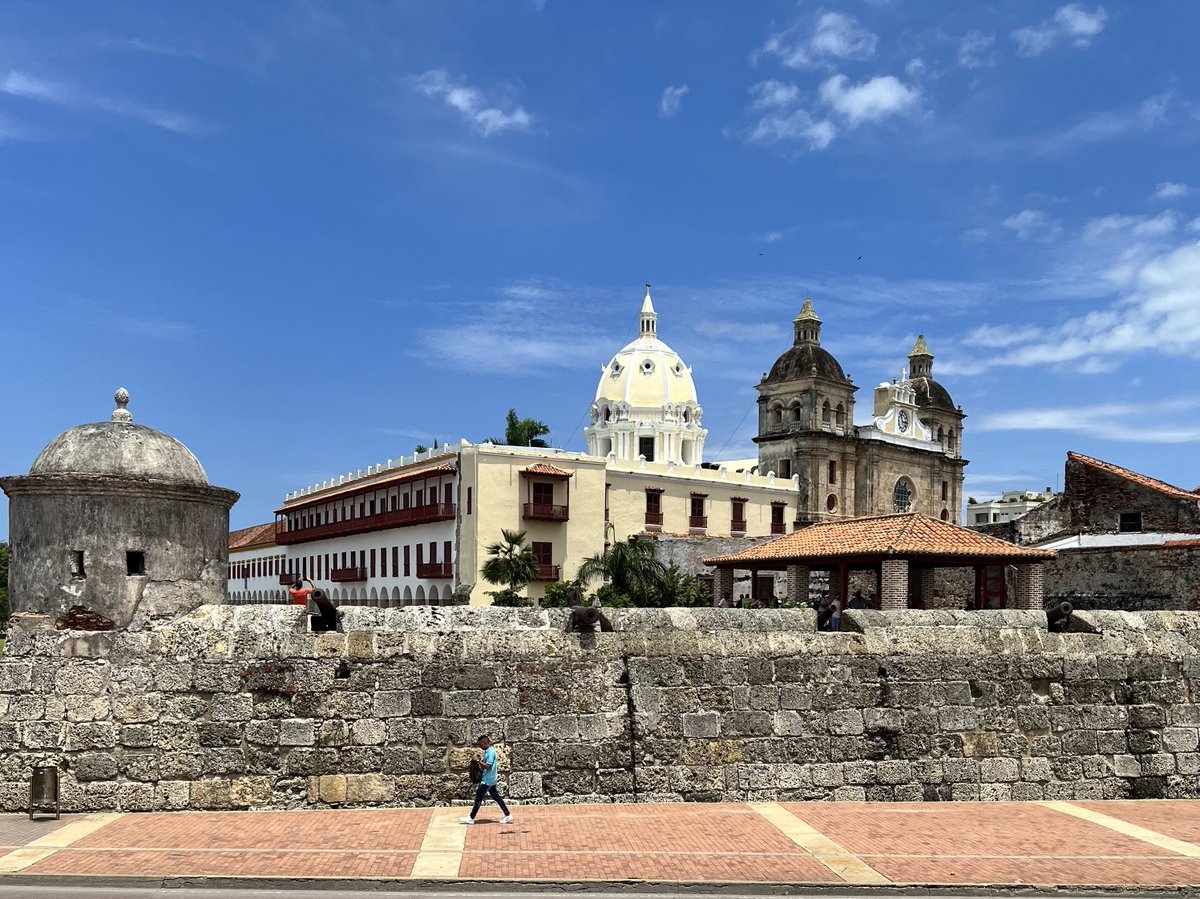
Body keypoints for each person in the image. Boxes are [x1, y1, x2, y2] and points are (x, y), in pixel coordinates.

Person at [460, 734, 513, 825]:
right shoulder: (489, 751)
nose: (480, 746)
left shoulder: (490, 753)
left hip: (487, 781)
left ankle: (471, 818)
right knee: (496, 797)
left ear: (484, 743)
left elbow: (488, 766)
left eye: (480, 744)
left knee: (478, 798)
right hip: (491, 779)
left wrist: (477, 761)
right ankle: (507, 815)